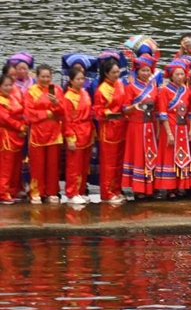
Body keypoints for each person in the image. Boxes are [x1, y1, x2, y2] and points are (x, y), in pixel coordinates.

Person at [23, 64, 65, 204]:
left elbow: (63, 113)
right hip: (38, 133)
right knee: (37, 164)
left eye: (48, 76)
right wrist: (47, 113)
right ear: (37, 76)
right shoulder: (31, 92)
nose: (46, 79)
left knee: (53, 164)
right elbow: (29, 114)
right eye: (43, 77)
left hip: (54, 133)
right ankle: (36, 192)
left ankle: (52, 192)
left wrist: (56, 103)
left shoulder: (56, 90)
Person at [121, 54, 158, 200]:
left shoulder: (154, 86)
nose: (146, 73)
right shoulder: (130, 87)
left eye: (148, 70)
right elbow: (124, 109)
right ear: (137, 71)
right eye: (143, 70)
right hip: (136, 126)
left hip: (150, 125)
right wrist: (135, 107)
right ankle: (138, 189)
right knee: (138, 156)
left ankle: (150, 186)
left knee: (150, 155)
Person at [154, 61, 191, 199]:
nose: (180, 77)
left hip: (183, 126)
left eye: (182, 74)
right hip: (170, 126)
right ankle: (169, 188)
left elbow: (190, 112)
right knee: (170, 156)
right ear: (171, 76)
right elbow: (162, 113)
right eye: (177, 74)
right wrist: (168, 133)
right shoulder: (165, 90)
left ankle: (179, 186)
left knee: (181, 155)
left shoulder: (186, 90)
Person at [93, 58, 127, 204]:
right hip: (109, 130)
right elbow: (98, 112)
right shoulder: (101, 90)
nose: (116, 74)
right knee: (109, 164)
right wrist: (111, 114)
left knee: (119, 162)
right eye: (113, 72)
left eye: (118, 71)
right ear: (106, 73)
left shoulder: (120, 85)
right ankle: (107, 193)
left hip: (121, 128)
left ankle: (117, 189)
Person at [62, 66, 95, 204]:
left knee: (83, 165)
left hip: (87, 131)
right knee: (73, 165)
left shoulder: (85, 93)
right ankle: (71, 192)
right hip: (76, 132)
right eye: (78, 79)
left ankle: (80, 191)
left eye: (83, 78)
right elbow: (66, 120)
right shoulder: (68, 97)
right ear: (71, 80)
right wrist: (70, 138)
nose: (81, 81)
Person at [0, 74, 26, 205]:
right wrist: (20, 126)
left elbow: (21, 112)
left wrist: (24, 125)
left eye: (10, 85)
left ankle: (12, 190)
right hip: (6, 136)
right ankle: (3, 192)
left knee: (16, 165)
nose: (8, 88)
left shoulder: (12, 98)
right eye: (5, 85)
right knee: (6, 166)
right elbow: (5, 119)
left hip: (17, 135)